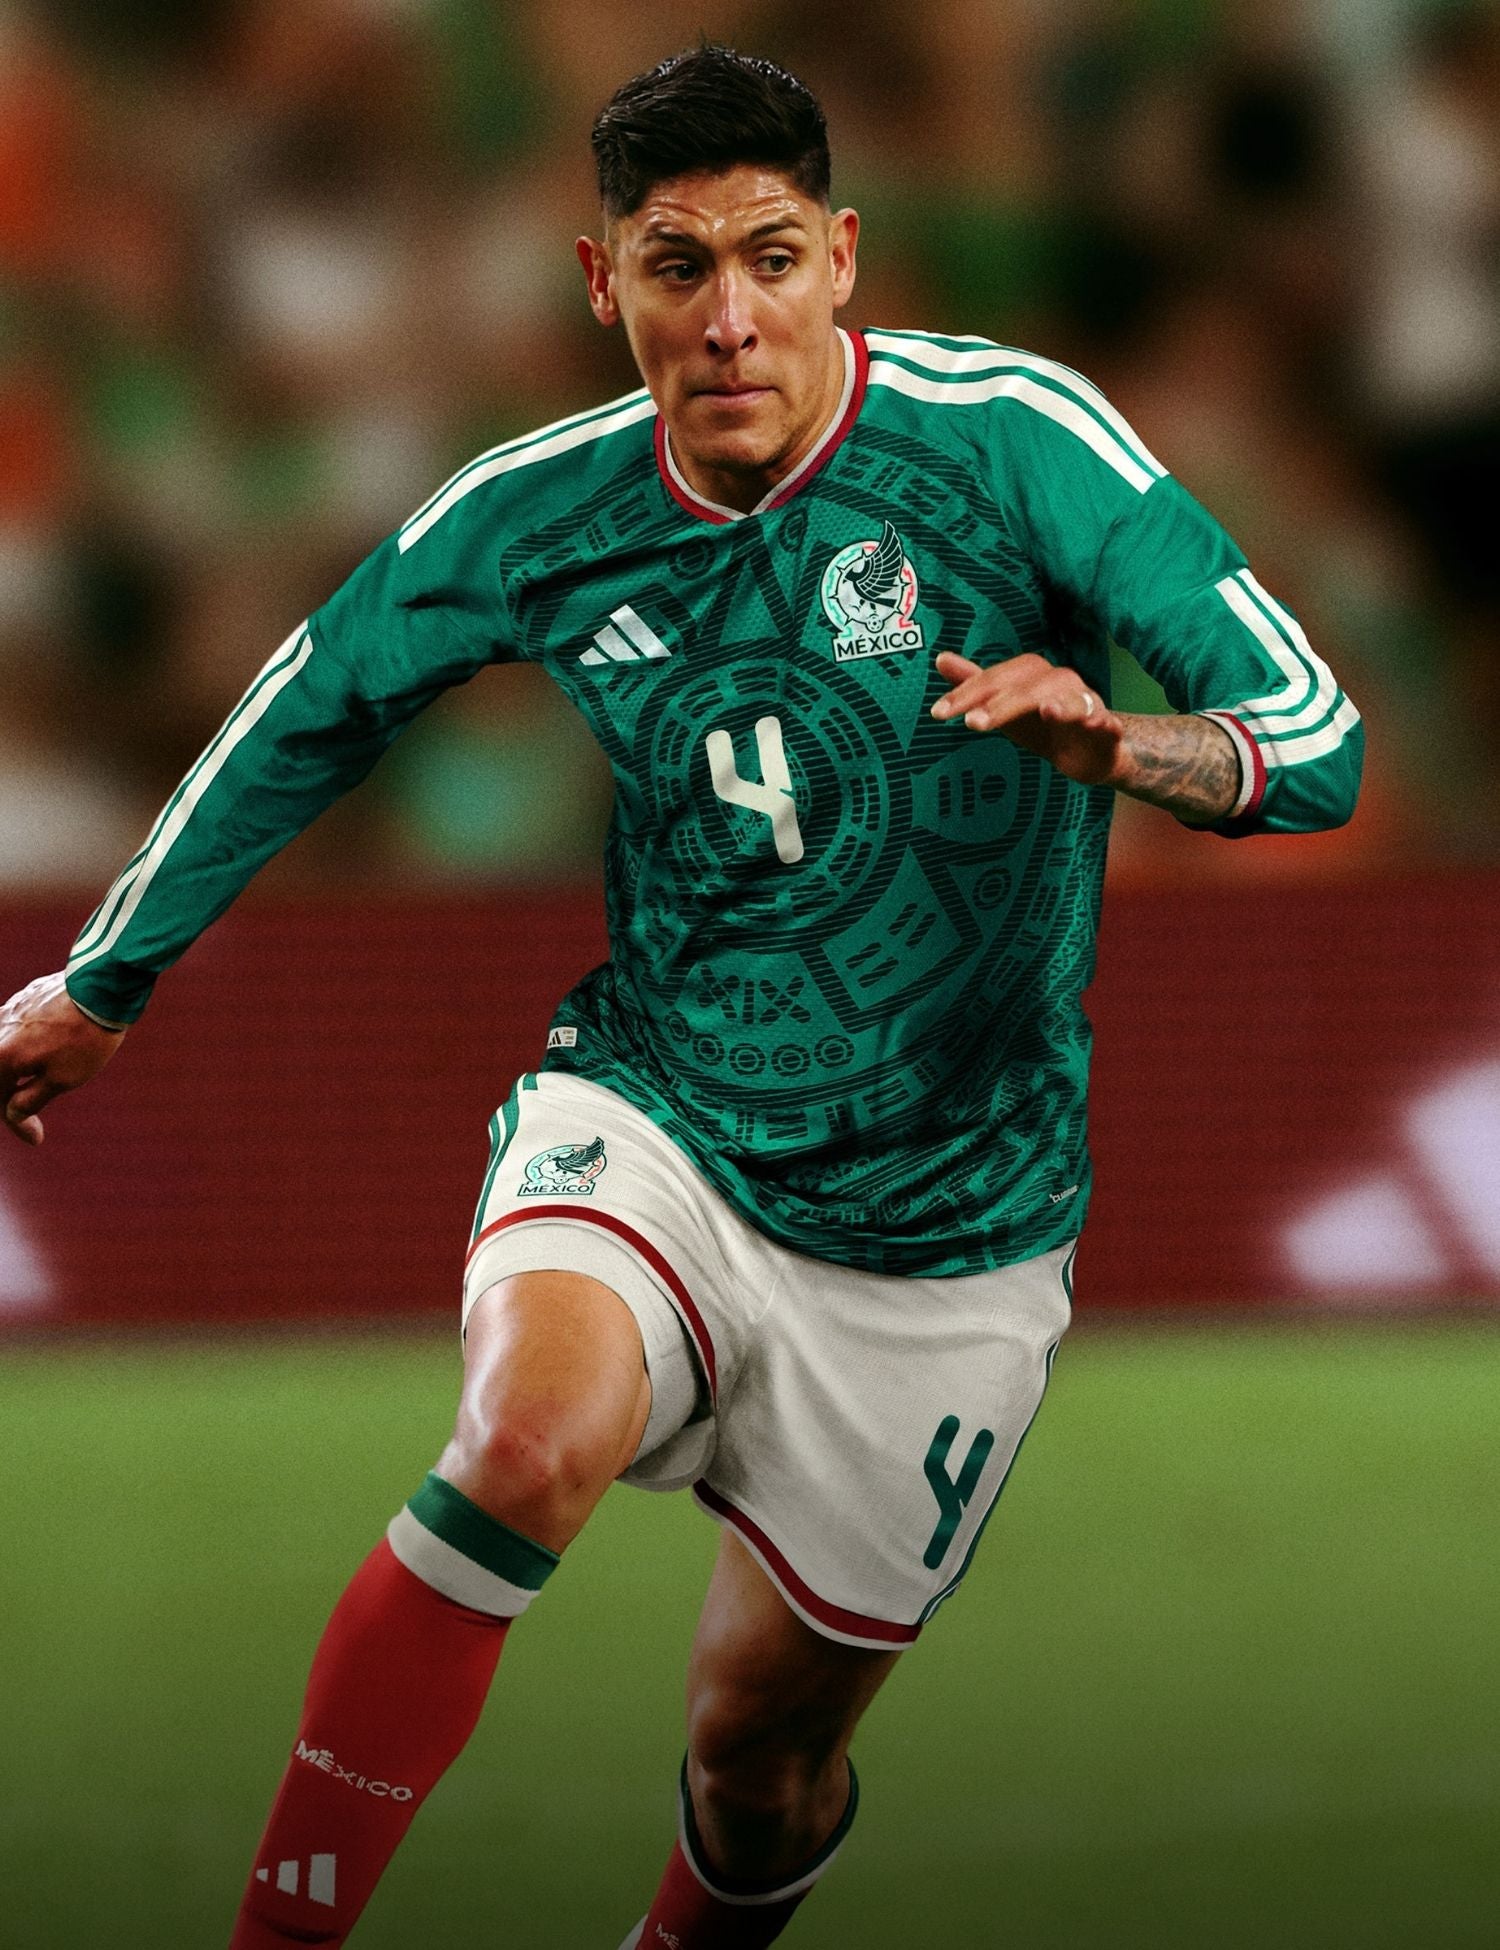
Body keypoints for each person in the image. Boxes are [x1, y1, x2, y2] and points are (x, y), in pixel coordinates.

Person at [0, 43, 1362, 1950]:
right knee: (520, 1444)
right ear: (599, 282)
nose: (729, 318)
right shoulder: (536, 511)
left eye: (772, 258)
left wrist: (1129, 742)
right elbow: (311, 706)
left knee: (756, 1760)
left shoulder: (1017, 439)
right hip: (664, 1116)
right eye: (674, 266)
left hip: (952, 1232)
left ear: (845, 260)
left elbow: (1319, 742)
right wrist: (105, 978)